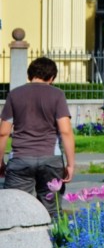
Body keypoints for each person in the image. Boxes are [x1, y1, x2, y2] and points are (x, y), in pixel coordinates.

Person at [0, 57, 74, 220]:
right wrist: (70, 164)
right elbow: (66, 131)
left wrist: (0, 162)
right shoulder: (57, 95)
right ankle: (53, 236)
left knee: (15, 210)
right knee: (52, 211)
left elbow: (3, 132)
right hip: (50, 158)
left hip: (20, 157)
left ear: (29, 75)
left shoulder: (14, 94)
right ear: (52, 77)